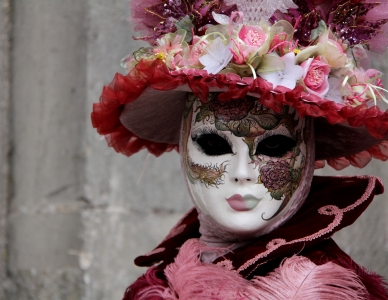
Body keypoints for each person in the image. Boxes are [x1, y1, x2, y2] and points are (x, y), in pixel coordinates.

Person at [92, 0, 388, 298]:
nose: (242, 173)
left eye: (273, 146)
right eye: (213, 144)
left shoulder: (321, 290)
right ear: (184, 145)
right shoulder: (161, 281)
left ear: (306, 152)